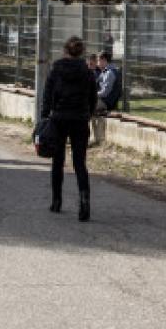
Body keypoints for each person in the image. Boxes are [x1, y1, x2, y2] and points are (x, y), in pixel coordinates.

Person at [36, 35, 98, 220]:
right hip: (80, 119)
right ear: (81, 52)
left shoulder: (56, 69)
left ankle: (56, 201)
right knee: (80, 163)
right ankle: (84, 202)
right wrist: (88, 113)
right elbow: (93, 97)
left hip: (59, 119)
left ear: (64, 50)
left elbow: (47, 94)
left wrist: (44, 116)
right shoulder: (87, 72)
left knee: (58, 161)